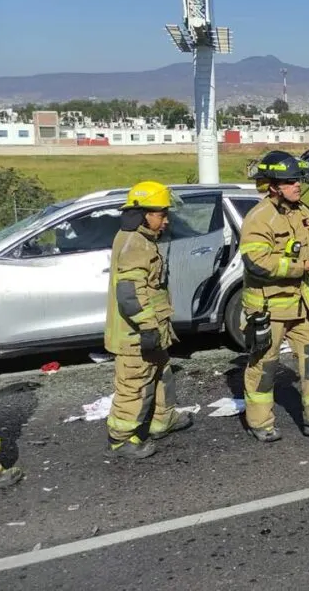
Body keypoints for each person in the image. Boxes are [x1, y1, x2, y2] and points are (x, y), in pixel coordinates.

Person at [241, 151, 309, 442]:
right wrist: (301, 266)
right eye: (289, 181)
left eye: (298, 180)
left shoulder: (303, 213)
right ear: (273, 186)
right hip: (269, 308)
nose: (297, 185)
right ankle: (261, 424)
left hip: (302, 305)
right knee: (264, 366)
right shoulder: (259, 218)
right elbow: (256, 262)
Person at [104, 181, 194, 459]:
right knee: (134, 383)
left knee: (161, 373)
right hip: (136, 335)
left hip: (152, 328)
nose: (165, 220)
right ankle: (121, 440)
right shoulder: (135, 243)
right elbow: (130, 294)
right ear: (143, 214)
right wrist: (147, 327)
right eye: (161, 214)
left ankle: (161, 420)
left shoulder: (140, 238)